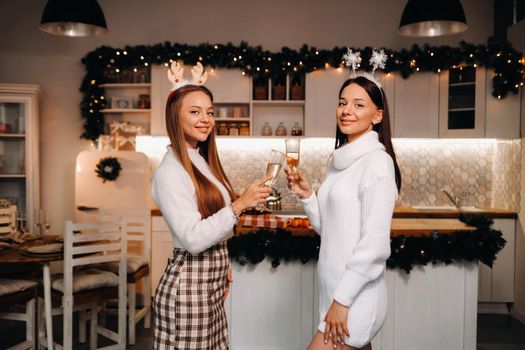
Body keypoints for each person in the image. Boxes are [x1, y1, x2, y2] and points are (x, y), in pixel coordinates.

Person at [151, 84, 272, 349]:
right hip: (187, 292)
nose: (205, 119)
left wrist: (223, 261)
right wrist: (240, 204)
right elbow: (193, 239)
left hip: (209, 288)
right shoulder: (169, 172)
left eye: (209, 112)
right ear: (175, 117)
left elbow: (213, 223)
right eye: (195, 111)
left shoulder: (200, 159)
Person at [286, 75, 401, 350]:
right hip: (336, 294)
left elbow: (374, 246)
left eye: (358, 104)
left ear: (377, 115)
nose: (347, 110)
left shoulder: (377, 164)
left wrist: (342, 301)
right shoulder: (339, 161)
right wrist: (308, 195)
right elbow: (332, 230)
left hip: (354, 300)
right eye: (342, 102)